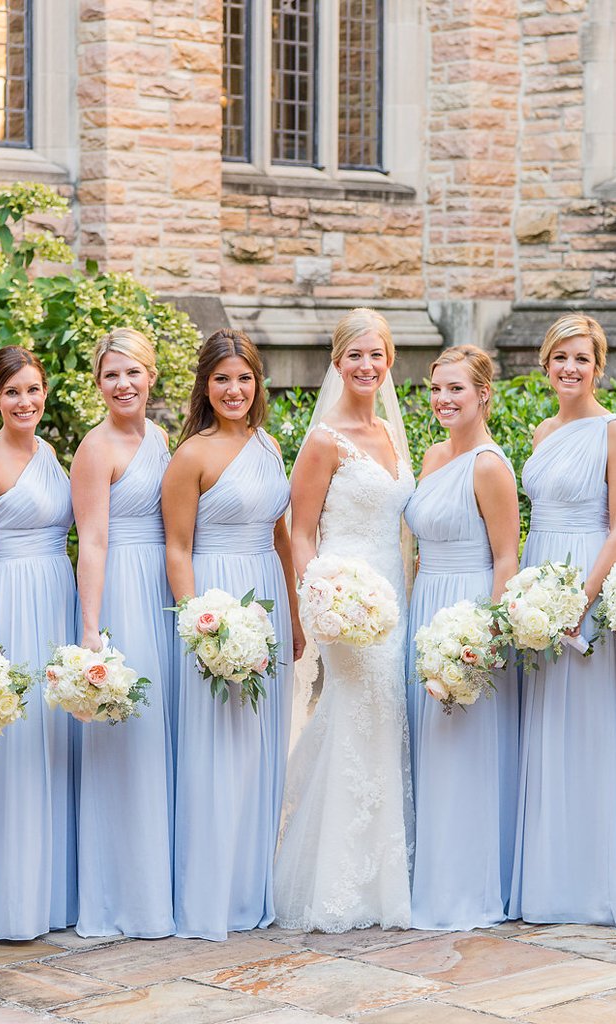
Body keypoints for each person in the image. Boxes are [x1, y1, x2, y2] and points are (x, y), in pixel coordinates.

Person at [274, 308, 415, 932]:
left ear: (388, 363)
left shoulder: (390, 432)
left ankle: (390, 873)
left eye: (376, 355)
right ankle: (337, 883)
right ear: (338, 364)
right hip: (348, 603)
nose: (366, 366)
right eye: (354, 356)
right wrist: (321, 599)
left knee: (389, 721)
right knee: (361, 715)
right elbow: (301, 530)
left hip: (394, 598)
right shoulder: (324, 439)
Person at [166, 329, 302, 940]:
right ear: (205, 386)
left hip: (267, 599)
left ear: (258, 384)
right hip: (217, 600)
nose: (234, 389)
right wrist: (201, 624)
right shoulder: (191, 455)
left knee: (260, 747)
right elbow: (177, 548)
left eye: (244, 378)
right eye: (222, 378)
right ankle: (209, 895)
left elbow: (280, 537)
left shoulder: (269, 445)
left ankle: (252, 887)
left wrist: (294, 617)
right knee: (216, 746)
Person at [510, 313, 616, 927]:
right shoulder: (539, 432)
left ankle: (590, 886)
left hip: (587, 578)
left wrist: (582, 599)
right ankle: (546, 879)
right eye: (559, 357)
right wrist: (530, 593)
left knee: (585, 721)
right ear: (546, 364)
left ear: (598, 365)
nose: (569, 368)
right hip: (541, 577)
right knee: (542, 722)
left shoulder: (615, 431)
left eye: (581, 358)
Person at [0, 346, 78, 941]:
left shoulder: (48, 452)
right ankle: (5, 903)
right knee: (16, 746)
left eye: (33, 389)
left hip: (56, 593)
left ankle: (52, 894)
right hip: (10, 599)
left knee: (54, 743)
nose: (24, 402)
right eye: (13, 393)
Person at [404, 345, 520, 930]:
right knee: (428, 746)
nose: (444, 400)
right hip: (426, 603)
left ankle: (464, 889)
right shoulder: (431, 456)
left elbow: (506, 558)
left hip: (467, 610)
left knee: (461, 750)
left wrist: (482, 637)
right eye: (436, 389)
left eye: (456, 389)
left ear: (482, 395)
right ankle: (430, 874)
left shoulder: (489, 465)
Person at [71, 328, 175, 938]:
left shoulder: (160, 438)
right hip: (121, 591)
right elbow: (93, 540)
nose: (123, 384)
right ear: (99, 384)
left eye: (133, 372)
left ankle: (157, 882)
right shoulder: (95, 447)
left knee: (158, 731)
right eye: (111, 375)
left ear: (152, 376)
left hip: (160, 586)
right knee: (126, 737)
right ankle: (122, 895)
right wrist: (92, 628)